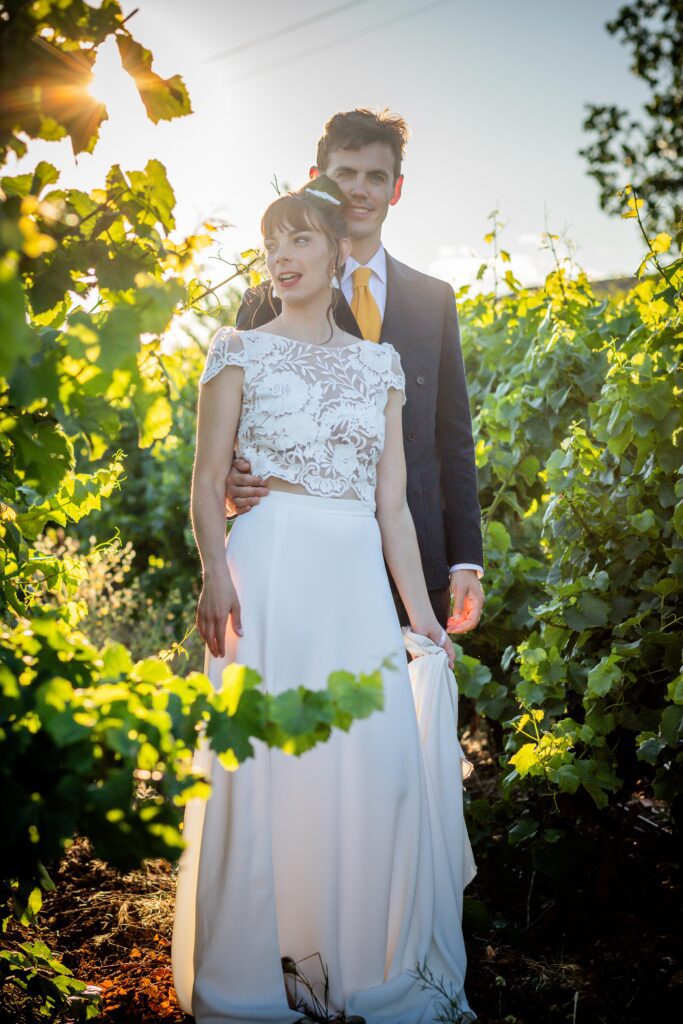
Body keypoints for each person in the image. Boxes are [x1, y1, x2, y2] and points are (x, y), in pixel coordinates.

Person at [171, 175, 476, 1023]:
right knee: (265, 764)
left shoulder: (380, 367)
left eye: (301, 238)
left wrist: (418, 616)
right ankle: (257, 967)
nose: (283, 254)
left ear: (338, 252)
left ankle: (348, 955)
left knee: (366, 765)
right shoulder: (235, 349)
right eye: (273, 241)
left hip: (350, 584)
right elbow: (204, 483)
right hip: (264, 578)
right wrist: (214, 571)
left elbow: (392, 510)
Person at [228, 108, 485, 635]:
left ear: (397, 190)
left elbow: (453, 438)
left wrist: (465, 560)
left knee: (401, 712)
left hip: (417, 564)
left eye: (376, 177)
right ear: (316, 180)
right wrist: (233, 482)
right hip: (297, 560)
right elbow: (232, 437)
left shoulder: (435, 300)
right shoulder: (262, 303)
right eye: (346, 173)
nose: (360, 191)